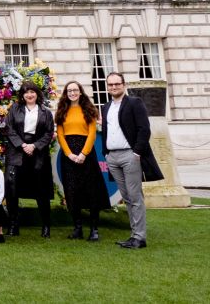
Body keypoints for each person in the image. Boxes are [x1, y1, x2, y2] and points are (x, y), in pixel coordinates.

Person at [101, 72, 162, 249]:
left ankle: (139, 237)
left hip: (130, 155)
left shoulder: (135, 103)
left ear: (123, 84)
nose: (113, 87)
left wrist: (137, 153)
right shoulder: (106, 107)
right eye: (110, 85)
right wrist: (106, 153)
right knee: (126, 197)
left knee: (135, 196)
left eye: (116, 84)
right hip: (112, 157)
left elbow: (144, 129)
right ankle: (133, 235)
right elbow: (106, 131)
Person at [55, 81, 111, 242]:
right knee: (72, 192)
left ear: (80, 92)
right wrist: (69, 154)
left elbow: (92, 133)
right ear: (66, 93)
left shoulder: (89, 110)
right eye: (69, 90)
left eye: (75, 90)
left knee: (91, 191)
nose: (72, 93)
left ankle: (94, 229)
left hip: (86, 154)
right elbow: (60, 135)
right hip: (69, 155)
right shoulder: (61, 111)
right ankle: (77, 228)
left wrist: (83, 154)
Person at [5, 80, 55, 237]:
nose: (29, 95)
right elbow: (9, 128)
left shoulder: (45, 112)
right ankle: (13, 225)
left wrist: (34, 146)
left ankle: (46, 226)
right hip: (17, 152)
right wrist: (22, 145)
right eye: (26, 92)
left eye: (32, 91)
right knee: (12, 189)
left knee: (42, 190)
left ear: (37, 94)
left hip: (38, 153)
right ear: (22, 95)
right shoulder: (14, 109)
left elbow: (49, 133)